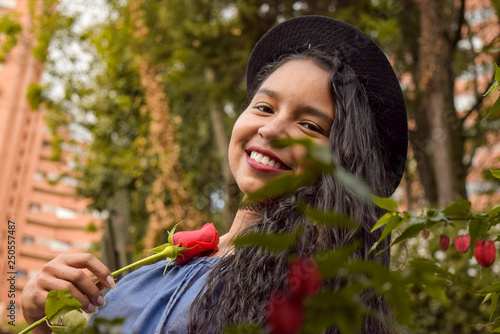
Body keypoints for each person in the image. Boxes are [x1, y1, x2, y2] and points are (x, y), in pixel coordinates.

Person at [21, 15, 407, 333]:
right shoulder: (152, 272)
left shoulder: (315, 305)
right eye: (264, 107)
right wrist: (42, 321)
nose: (271, 130)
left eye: (310, 125)